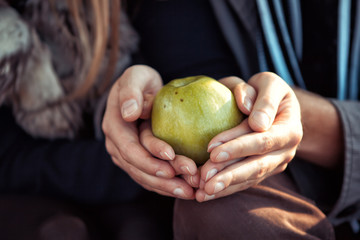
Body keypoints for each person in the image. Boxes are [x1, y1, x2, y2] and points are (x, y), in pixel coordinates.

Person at [102, 0, 360, 239]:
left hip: (301, 162)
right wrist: (126, 103)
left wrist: (307, 120)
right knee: (217, 212)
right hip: (221, 156)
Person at [0, 0, 174, 239]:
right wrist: (127, 165)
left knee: (140, 229)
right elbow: (8, 161)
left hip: (114, 171)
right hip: (31, 182)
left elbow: (190, 66)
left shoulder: (117, 14)